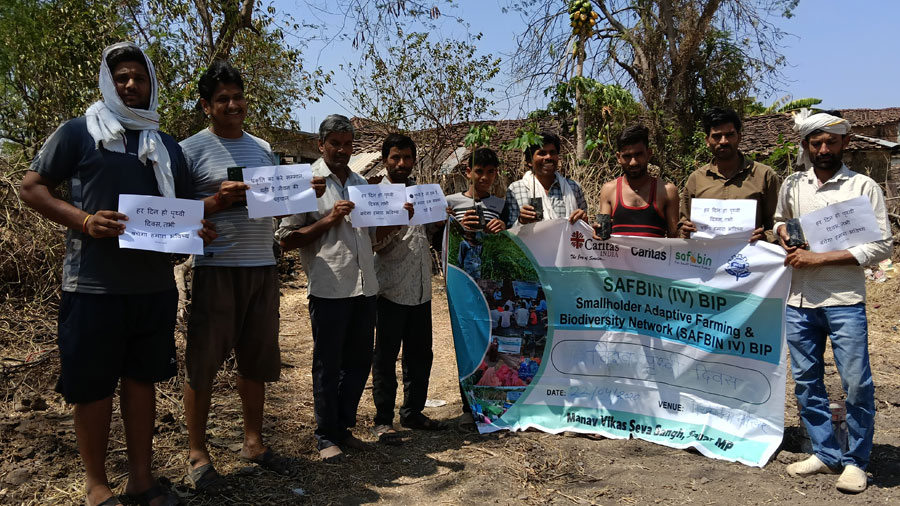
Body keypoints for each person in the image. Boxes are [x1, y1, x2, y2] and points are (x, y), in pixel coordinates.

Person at [19, 42, 215, 506]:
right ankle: (96, 486)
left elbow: (182, 211)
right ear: (107, 83)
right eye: (121, 77)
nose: (130, 85)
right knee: (92, 387)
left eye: (139, 78)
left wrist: (197, 228)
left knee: (142, 381)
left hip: (152, 288)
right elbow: (31, 188)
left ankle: (141, 482)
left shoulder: (166, 145)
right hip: (93, 287)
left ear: (152, 85)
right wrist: (85, 220)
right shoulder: (79, 132)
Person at [180, 61, 314, 491]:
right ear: (206, 105)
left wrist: (300, 192)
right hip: (216, 267)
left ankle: (253, 443)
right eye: (222, 99)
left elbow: (275, 204)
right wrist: (217, 201)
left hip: (261, 267)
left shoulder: (261, 148)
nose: (233, 105)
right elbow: (175, 213)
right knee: (203, 363)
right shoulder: (188, 151)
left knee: (256, 360)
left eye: (238, 97)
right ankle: (197, 455)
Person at [776, 110, 892, 493]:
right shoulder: (793, 185)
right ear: (806, 145)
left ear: (845, 142)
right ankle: (826, 453)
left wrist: (819, 259)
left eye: (831, 141)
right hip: (799, 302)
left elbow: (881, 246)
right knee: (806, 383)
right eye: (816, 142)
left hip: (845, 301)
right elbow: (779, 219)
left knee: (856, 384)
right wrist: (782, 232)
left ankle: (856, 462)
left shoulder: (862, 187)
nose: (824, 149)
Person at [276, 115, 377, 461]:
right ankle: (325, 435)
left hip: (364, 287)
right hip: (329, 287)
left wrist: (396, 217)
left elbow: (372, 237)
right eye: (335, 143)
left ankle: (343, 427)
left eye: (348, 144)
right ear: (320, 145)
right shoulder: (307, 183)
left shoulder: (362, 183)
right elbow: (286, 239)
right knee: (328, 364)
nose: (342, 150)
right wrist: (330, 218)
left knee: (359, 362)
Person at [370, 133, 445, 445]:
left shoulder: (422, 193)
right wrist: (398, 218)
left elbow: (431, 237)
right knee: (385, 357)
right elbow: (373, 243)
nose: (401, 163)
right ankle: (383, 420)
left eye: (407, 157)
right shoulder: (375, 196)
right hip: (389, 289)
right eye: (395, 157)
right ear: (385, 160)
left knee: (420, 355)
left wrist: (441, 221)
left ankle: (413, 412)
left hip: (420, 289)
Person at [680, 107, 780, 242]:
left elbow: (776, 224)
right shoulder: (696, 179)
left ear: (739, 137)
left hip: (750, 254)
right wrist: (685, 231)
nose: (723, 141)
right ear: (707, 140)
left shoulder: (764, 176)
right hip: (706, 254)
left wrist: (765, 237)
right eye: (716, 136)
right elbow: (683, 224)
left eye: (729, 135)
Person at [594, 124, 679, 238]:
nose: (633, 162)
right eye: (627, 156)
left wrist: (686, 232)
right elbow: (603, 235)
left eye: (638, 154)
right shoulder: (609, 190)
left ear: (649, 153)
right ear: (619, 157)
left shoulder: (667, 192)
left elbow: (675, 239)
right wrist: (596, 232)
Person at [505, 132, 587, 227]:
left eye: (552, 153)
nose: (548, 157)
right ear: (529, 161)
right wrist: (521, 221)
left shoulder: (573, 187)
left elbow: (584, 227)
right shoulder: (516, 189)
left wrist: (583, 219)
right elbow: (510, 230)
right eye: (542, 153)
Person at [446, 147, 508, 233]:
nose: (485, 177)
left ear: (495, 173)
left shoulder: (501, 205)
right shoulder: (449, 202)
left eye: (490, 172)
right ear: (469, 172)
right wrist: (459, 227)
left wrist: (503, 228)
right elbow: (438, 234)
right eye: (479, 171)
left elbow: (512, 234)